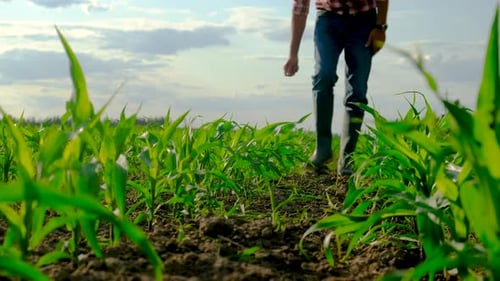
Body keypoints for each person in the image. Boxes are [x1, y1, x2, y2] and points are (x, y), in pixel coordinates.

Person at [284, 0, 389, 176]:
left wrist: (380, 27)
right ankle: (322, 151)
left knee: (357, 90)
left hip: (364, 21)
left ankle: (347, 159)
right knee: (323, 77)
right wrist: (293, 54)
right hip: (328, 19)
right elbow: (300, 8)